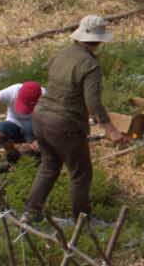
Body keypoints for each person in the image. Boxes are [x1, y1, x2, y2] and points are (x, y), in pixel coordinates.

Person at [26, 14, 128, 226]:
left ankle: (31, 213)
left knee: (49, 166)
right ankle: (82, 221)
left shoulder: (60, 55)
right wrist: (111, 130)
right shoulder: (90, 65)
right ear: (99, 41)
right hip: (64, 123)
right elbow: (93, 103)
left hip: (40, 116)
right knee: (81, 174)